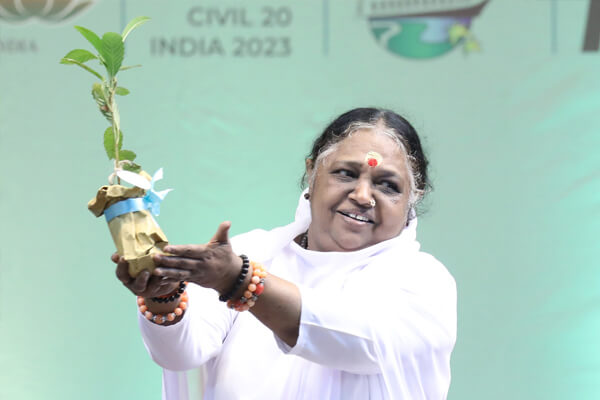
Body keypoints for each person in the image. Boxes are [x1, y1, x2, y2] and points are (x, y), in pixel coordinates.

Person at [113, 108, 457, 400]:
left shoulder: (424, 282)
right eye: (346, 173)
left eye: (388, 185)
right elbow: (181, 353)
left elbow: (355, 338)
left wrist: (240, 281)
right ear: (312, 171)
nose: (363, 195)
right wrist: (164, 296)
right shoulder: (256, 252)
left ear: (414, 198)